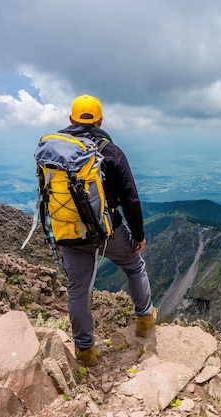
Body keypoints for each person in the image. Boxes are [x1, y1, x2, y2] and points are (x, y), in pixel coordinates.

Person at [59, 95, 157, 367]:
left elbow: (47, 197)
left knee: (78, 290)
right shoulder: (111, 152)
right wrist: (138, 234)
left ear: (71, 120)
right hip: (108, 232)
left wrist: (56, 235)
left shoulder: (56, 153)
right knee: (134, 266)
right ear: (101, 120)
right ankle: (144, 320)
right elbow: (130, 198)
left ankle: (85, 351)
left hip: (68, 234)